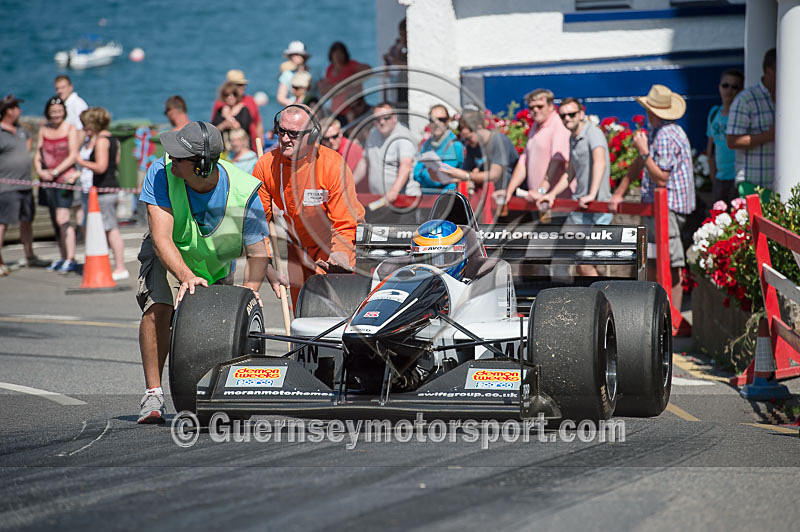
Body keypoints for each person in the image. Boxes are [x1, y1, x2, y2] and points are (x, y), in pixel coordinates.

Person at [135, 121, 284, 423]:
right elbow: (161, 238)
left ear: (202, 166)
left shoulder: (244, 191)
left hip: (214, 262)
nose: (171, 158)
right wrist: (185, 276)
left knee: (219, 329)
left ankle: (213, 393)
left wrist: (251, 289)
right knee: (158, 306)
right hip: (168, 251)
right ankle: (152, 393)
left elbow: (258, 253)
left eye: (180, 157)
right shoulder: (161, 172)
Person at [252, 104, 365, 308]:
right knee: (300, 309)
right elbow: (258, 224)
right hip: (296, 244)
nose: (285, 139)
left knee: (326, 310)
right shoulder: (265, 165)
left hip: (332, 245)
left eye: (293, 134)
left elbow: (345, 223)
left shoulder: (332, 165)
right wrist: (267, 266)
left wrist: (340, 256)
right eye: (281, 131)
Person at [609, 84, 695, 312]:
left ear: (651, 111)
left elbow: (661, 178)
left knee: (671, 262)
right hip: (661, 208)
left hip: (668, 208)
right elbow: (640, 164)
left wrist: (644, 151)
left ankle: (673, 318)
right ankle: (665, 314)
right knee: (658, 259)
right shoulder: (660, 132)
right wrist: (620, 192)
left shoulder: (666, 135)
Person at [537, 98, 611, 276]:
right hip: (579, 209)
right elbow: (570, 173)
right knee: (561, 259)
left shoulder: (593, 133)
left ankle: (601, 302)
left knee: (585, 264)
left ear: (581, 114)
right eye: (563, 115)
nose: (567, 118)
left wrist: (592, 194)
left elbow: (600, 162)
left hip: (597, 209)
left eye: (571, 114)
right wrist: (552, 194)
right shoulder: (573, 137)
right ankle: (564, 301)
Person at [75, 107, 128, 280]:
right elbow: (116, 162)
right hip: (111, 187)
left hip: (104, 190)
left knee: (110, 228)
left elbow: (101, 166)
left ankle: (120, 267)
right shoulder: (113, 140)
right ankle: (117, 265)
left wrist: (81, 162)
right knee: (109, 227)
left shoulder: (101, 141)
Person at [0, 95, 48, 275]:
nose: (20, 112)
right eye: (16, 108)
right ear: (8, 111)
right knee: (2, 223)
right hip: (6, 187)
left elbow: (28, 145)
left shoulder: (21, 131)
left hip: (25, 185)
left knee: (26, 221)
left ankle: (30, 255)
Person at [34, 96, 80, 274]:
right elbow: (38, 152)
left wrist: (55, 171)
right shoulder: (43, 129)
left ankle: (70, 257)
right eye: (53, 112)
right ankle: (62, 256)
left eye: (59, 112)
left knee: (63, 218)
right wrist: (40, 170)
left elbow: (73, 155)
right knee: (54, 219)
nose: (56, 115)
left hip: (64, 179)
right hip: (47, 180)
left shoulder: (70, 129)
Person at [505, 89, 571, 206]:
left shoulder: (558, 124)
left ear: (551, 106)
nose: (535, 110)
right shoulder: (536, 126)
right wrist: (509, 191)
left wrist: (541, 190)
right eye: (531, 107)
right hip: (536, 200)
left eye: (540, 106)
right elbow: (523, 163)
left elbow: (557, 160)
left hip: (555, 202)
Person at [726, 48, 775, 192]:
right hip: (753, 184)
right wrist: (768, 136)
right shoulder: (746, 100)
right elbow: (732, 141)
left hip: (778, 184)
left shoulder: (787, 97)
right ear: (769, 71)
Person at [441, 109, 518, 197]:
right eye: (464, 140)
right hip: (487, 196)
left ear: (479, 127)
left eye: (469, 138)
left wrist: (466, 175)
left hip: (508, 195)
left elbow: (494, 175)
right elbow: (467, 172)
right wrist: (447, 175)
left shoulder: (499, 141)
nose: (467, 143)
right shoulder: (472, 146)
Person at [353, 101, 419, 202]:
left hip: (403, 199)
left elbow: (406, 165)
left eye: (386, 117)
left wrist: (394, 191)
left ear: (395, 117)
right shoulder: (373, 132)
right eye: (377, 119)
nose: (382, 122)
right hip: (379, 200)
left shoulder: (403, 136)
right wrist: (348, 184)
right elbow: (365, 161)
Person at [704, 69, 743, 205]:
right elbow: (711, 146)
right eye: (725, 86)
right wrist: (713, 175)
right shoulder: (714, 113)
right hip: (719, 179)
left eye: (734, 87)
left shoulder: (741, 115)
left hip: (737, 178)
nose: (729, 91)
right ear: (719, 87)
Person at [413, 105, 464, 192]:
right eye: (432, 120)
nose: (437, 123)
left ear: (448, 121)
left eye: (441, 120)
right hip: (427, 195)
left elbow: (443, 177)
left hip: (447, 197)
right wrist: (432, 175)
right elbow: (416, 173)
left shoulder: (455, 145)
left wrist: (425, 174)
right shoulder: (427, 144)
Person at [210, 70, 264, 151]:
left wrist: (260, 142)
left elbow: (258, 123)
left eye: (244, 84)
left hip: (249, 146)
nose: (243, 87)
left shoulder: (250, 100)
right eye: (239, 84)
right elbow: (214, 126)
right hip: (227, 148)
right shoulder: (220, 104)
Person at [318, 41, 370, 123]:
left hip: (353, 106)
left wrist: (349, 81)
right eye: (335, 54)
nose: (338, 57)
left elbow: (368, 70)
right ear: (331, 56)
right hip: (337, 109)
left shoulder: (351, 65)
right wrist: (338, 85)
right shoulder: (329, 69)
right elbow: (323, 89)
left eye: (340, 54)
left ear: (345, 54)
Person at [212, 81, 253, 153]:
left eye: (233, 94)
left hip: (241, 149)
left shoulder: (244, 110)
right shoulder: (220, 111)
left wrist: (227, 116)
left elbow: (242, 128)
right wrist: (224, 125)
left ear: (237, 95)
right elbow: (214, 129)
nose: (230, 97)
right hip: (224, 149)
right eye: (227, 95)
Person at [277, 41, 311, 107]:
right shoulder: (287, 74)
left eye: (297, 54)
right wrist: (296, 106)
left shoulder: (312, 73)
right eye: (292, 55)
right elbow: (280, 97)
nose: (294, 57)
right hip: (294, 108)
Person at [383, 18, 408, 107]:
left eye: (406, 35)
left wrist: (396, 62)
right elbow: (386, 75)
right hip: (396, 88)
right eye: (402, 35)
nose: (404, 38)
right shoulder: (396, 48)